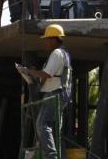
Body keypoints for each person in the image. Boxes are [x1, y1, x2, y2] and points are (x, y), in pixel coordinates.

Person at [24, 24, 71, 159]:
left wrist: (29, 72)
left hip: (54, 94)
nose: (45, 42)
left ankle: (51, 156)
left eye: (47, 39)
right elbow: (49, 74)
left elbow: (47, 74)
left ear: (53, 39)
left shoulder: (56, 53)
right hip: (59, 94)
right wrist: (35, 74)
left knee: (41, 124)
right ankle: (58, 156)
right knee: (54, 129)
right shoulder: (64, 53)